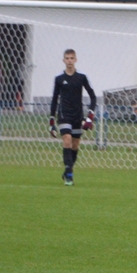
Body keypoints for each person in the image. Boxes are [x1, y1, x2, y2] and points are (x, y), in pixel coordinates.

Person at [49, 49, 96, 186]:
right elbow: (54, 99)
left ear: (75, 60)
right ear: (64, 60)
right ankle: (69, 176)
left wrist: (89, 117)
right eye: (67, 58)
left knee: (75, 145)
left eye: (71, 58)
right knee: (67, 140)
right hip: (64, 114)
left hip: (77, 115)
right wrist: (52, 121)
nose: (69, 60)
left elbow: (93, 96)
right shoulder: (59, 79)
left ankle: (67, 170)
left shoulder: (81, 77)